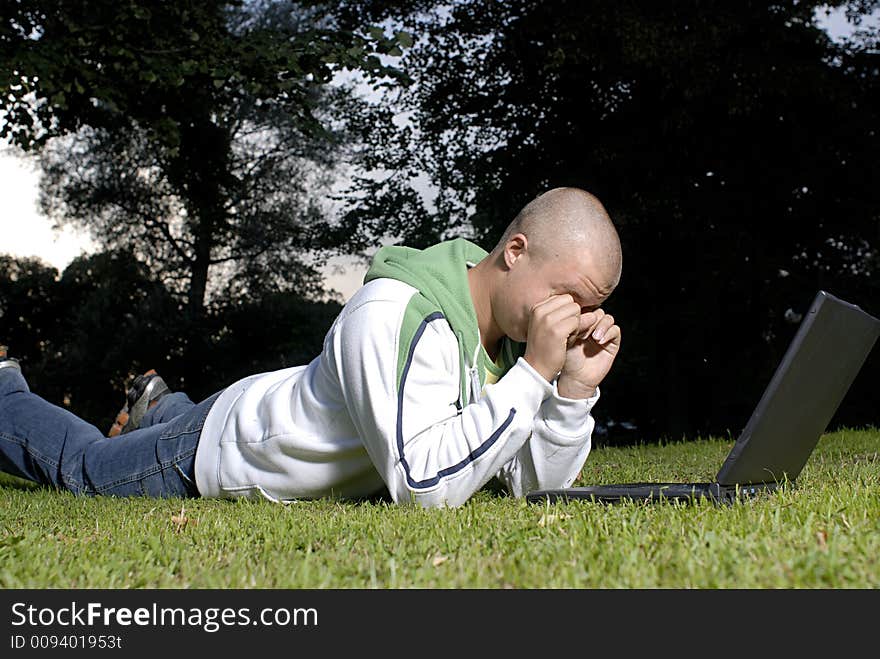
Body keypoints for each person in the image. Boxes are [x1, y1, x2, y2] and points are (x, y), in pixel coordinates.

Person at [0, 187, 622, 508]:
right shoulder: (393, 314)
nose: (578, 319)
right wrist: (536, 373)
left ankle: (161, 407)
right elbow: (425, 488)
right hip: (224, 451)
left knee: (176, 422)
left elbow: (524, 486)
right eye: (572, 295)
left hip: (265, 407)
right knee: (81, 471)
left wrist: (571, 390)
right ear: (515, 252)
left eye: (591, 305)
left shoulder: (508, 338)